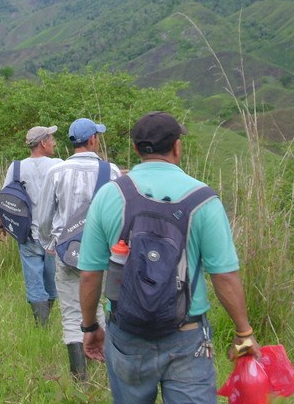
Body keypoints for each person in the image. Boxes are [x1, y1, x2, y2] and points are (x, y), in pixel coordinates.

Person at [78, 111, 260, 404]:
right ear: (177, 147)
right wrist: (244, 332)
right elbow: (224, 276)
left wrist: (90, 327)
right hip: (187, 335)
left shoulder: (109, 195)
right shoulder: (204, 199)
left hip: (126, 333)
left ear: (137, 150)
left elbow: (89, 274)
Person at [35, 118, 121, 381]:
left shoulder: (57, 172)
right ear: (93, 139)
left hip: (66, 254)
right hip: (103, 255)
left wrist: (50, 244)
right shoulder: (112, 171)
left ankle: (79, 380)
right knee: (103, 308)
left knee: (72, 312)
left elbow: (44, 219)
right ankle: (105, 369)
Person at [0, 125, 62, 326]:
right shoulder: (58, 164)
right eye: (51, 139)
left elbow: (6, 200)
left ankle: (41, 324)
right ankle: (46, 319)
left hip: (27, 235)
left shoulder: (16, 167)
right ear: (43, 143)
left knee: (34, 280)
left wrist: (1, 227)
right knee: (52, 280)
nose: (54, 142)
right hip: (54, 235)